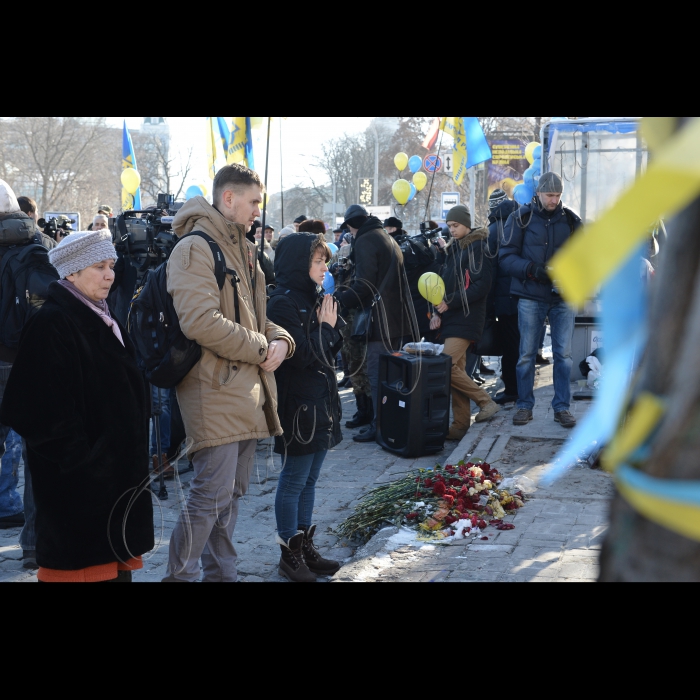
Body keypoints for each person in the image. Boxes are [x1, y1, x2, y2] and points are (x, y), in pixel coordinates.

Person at [164, 163, 295, 583]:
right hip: (212, 388)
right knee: (210, 495)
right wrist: (261, 348)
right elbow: (200, 320)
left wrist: (281, 340)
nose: (258, 209)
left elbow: (259, 317)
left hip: (244, 390)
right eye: (254, 201)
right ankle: (178, 577)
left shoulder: (243, 247)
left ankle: (222, 575)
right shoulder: (194, 248)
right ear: (228, 198)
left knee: (230, 496)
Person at [0, 231, 154, 582]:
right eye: (99, 266)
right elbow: (31, 408)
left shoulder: (102, 314)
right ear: (71, 272)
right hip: (81, 491)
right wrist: (85, 459)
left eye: (111, 265)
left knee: (114, 571)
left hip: (115, 486)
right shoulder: (51, 322)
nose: (110, 275)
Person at [267, 233, 344, 582]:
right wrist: (326, 329)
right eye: (317, 260)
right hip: (298, 405)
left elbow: (332, 348)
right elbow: (301, 358)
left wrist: (331, 326)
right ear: (299, 263)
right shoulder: (282, 302)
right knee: (294, 478)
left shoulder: (313, 297)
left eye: (324, 259)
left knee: (310, 479)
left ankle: (305, 546)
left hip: (321, 400)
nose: (323, 266)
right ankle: (290, 552)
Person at [500, 172, 583, 429]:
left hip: (562, 297)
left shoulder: (570, 221)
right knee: (526, 354)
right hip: (530, 295)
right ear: (538, 193)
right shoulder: (520, 218)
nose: (554, 200)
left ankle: (562, 408)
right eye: (550, 195)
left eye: (558, 195)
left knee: (564, 356)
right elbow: (505, 256)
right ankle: (524, 405)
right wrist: (532, 269)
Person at [337, 205, 412, 444]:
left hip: (381, 321)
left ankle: (380, 427)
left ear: (352, 226)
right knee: (389, 377)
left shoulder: (367, 240)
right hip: (395, 320)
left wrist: (339, 300)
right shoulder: (384, 236)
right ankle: (388, 425)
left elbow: (364, 286)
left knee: (377, 375)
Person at [432, 205, 501, 441]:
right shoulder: (456, 250)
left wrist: (448, 303)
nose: (452, 230)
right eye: (449, 226)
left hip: (467, 317)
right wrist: (437, 310)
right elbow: (445, 285)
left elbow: (481, 287)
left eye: (456, 226)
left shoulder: (478, 248)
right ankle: (460, 425)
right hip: (454, 317)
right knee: (456, 371)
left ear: (467, 224)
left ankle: (485, 401)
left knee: (445, 366)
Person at [486, 189, 520, 405]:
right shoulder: (523, 223)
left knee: (510, 346)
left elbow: (490, 270)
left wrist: (489, 304)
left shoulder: (493, 230)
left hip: (504, 298)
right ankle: (520, 386)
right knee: (520, 344)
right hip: (524, 294)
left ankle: (511, 389)